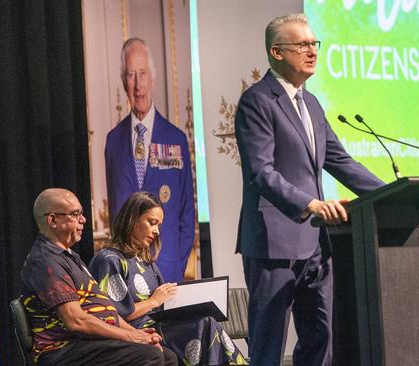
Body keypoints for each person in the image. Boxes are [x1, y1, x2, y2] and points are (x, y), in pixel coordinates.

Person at [234, 13, 386, 366]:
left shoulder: (312, 104)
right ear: (276, 52)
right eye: (302, 44)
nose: (312, 51)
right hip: (273, 244)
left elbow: (342, 162)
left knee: (320, 340)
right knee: (268, 346)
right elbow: (261, 173)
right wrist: (311, 204)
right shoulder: (257, 101)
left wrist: (390, 193)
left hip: (315, 246)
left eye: (314, 43)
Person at [20, 188, 178, 366]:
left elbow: (107, 312)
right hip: (62, 350)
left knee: (167, 356)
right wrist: (131, 336)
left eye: (82, 213)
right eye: (75, 214)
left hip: (86, 344)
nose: (83, 219)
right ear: (53, 220)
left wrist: (139, 335)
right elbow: (76, 321)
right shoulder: (46, 261)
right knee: (149, 356)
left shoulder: (69, 256)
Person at [90, 191, 248, 366]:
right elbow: (112, 315)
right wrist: (153, 301)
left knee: (205, 321)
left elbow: (163, 304)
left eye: (159, 225)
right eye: (152, 223)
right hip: (137, 332)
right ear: (132, 219)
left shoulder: (145, 261)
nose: (156, 231)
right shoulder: (110, 260)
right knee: (203, 326)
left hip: (162, 324)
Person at [105, 37, 195, 283]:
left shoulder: (175, 138)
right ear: (124, 81)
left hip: (167, 268)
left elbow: (186, 212)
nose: (137, 84)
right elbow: (115, 212)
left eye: (142, 73)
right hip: (126, 270)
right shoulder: (113, 141)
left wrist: (177, 262)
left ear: (153, 78)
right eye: (131, 74)